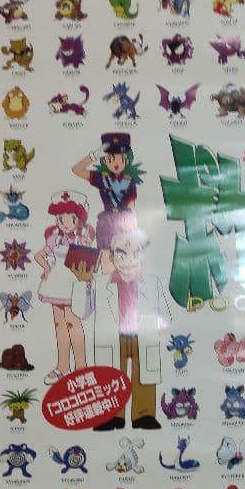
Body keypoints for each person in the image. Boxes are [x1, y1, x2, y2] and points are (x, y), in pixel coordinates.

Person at [72, 229, 170, 430]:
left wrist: (155, 327)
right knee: (111, 377)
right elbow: (81, 312)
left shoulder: (152, 283)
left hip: (142, 337)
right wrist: (83, 282)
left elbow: (165, 315)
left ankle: (144, 415)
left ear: (143, 256)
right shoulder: (99, 284)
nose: (128, 261)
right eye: (121, 254)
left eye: (135, 254)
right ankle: (111, 415)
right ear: (111, 256)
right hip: (112, 338)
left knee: (144, 375)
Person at [35, 190, 94, 384]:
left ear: (79, 219)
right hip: (55, 283)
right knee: (59, 324)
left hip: (73, 282)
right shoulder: (55, 237)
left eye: (71, 218)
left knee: (73, 322)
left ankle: (81, 368)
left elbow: (90, 259)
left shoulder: (82, 237)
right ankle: (62, 367)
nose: (65, 223)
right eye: (60, 219)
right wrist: (46, 268)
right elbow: (39, 255)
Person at [71, 132, 142, 252]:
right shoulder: (101, 178)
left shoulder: (130, 181)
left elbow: (131, 204)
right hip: (106, 222)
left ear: (126, 161)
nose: (116, 163)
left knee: (125, 254)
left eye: (121, 159)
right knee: (105, 253)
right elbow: (76, 170)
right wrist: (93, 156)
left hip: (124, 221)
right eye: (111, 159)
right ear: (105, 160)